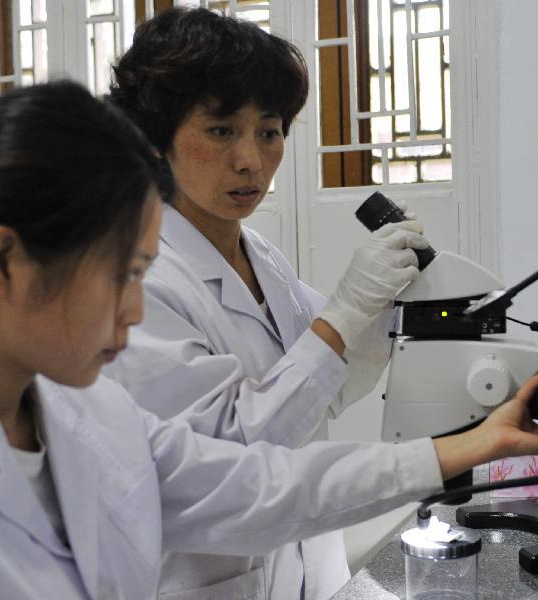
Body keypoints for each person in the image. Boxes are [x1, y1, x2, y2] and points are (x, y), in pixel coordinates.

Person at [0, 81, 538, 600]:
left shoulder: (90, 415)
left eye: (270, 132)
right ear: (5, 263)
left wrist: (468, 446)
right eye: (124, 276)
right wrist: (345, 314)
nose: (136, 310)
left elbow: (260, 484)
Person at [104, 7, 430, 599]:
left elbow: (326, 381)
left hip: (302, 573)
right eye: (222, 130)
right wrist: (345, 313)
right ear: (155, 140)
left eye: (270, 130)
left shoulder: (259, 253)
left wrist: (390, 304)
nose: (251, 160)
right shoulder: (140, 280)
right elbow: (232, 456)